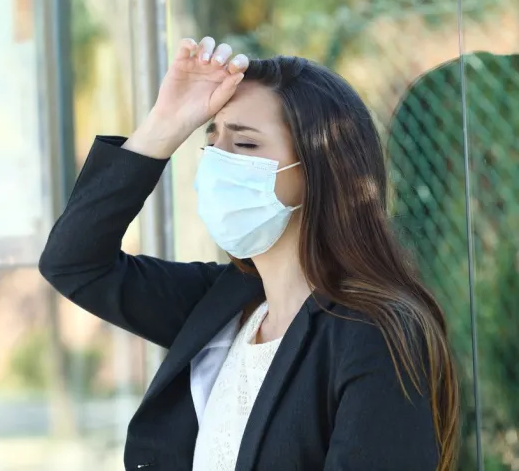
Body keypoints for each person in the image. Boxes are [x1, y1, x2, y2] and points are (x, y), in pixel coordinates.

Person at [39, 36, 460, 471]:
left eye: (244, 145)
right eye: (211, 138)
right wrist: (166, 123)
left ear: (319, 170)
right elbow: (74, 262)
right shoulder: (227, 303)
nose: (217, 161)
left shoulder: (374, 335)